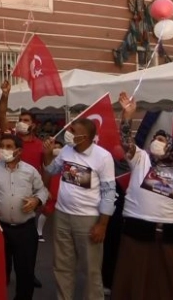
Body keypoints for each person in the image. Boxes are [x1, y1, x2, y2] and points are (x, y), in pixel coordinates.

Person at [110, 93, 173, 299]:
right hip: (136, 232)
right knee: (133, 284)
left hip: (169, 236)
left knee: (165, 286)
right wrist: (127, 115)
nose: (157, 141)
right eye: (155, 138)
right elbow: (125, 139)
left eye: (162, 139)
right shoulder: (140, 159)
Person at [43, 118, 116, 300]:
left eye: (73, 131)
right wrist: (48, 154)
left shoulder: (103, 157)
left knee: (91, 269)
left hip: (88, 219)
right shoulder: (67, 150)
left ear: (85, 137)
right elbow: (52, 170)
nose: (68, 133)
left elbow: (109, 193)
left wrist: (102, 224)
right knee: (62, 266)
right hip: (62, 215)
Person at [0, 134, 48, 300]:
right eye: (2, 145)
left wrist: (36, 200)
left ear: (19, 151)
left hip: (24, 230)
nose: (4, 149)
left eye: (9, 146)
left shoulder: (30, 171)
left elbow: (42, 190)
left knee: (25, 271)